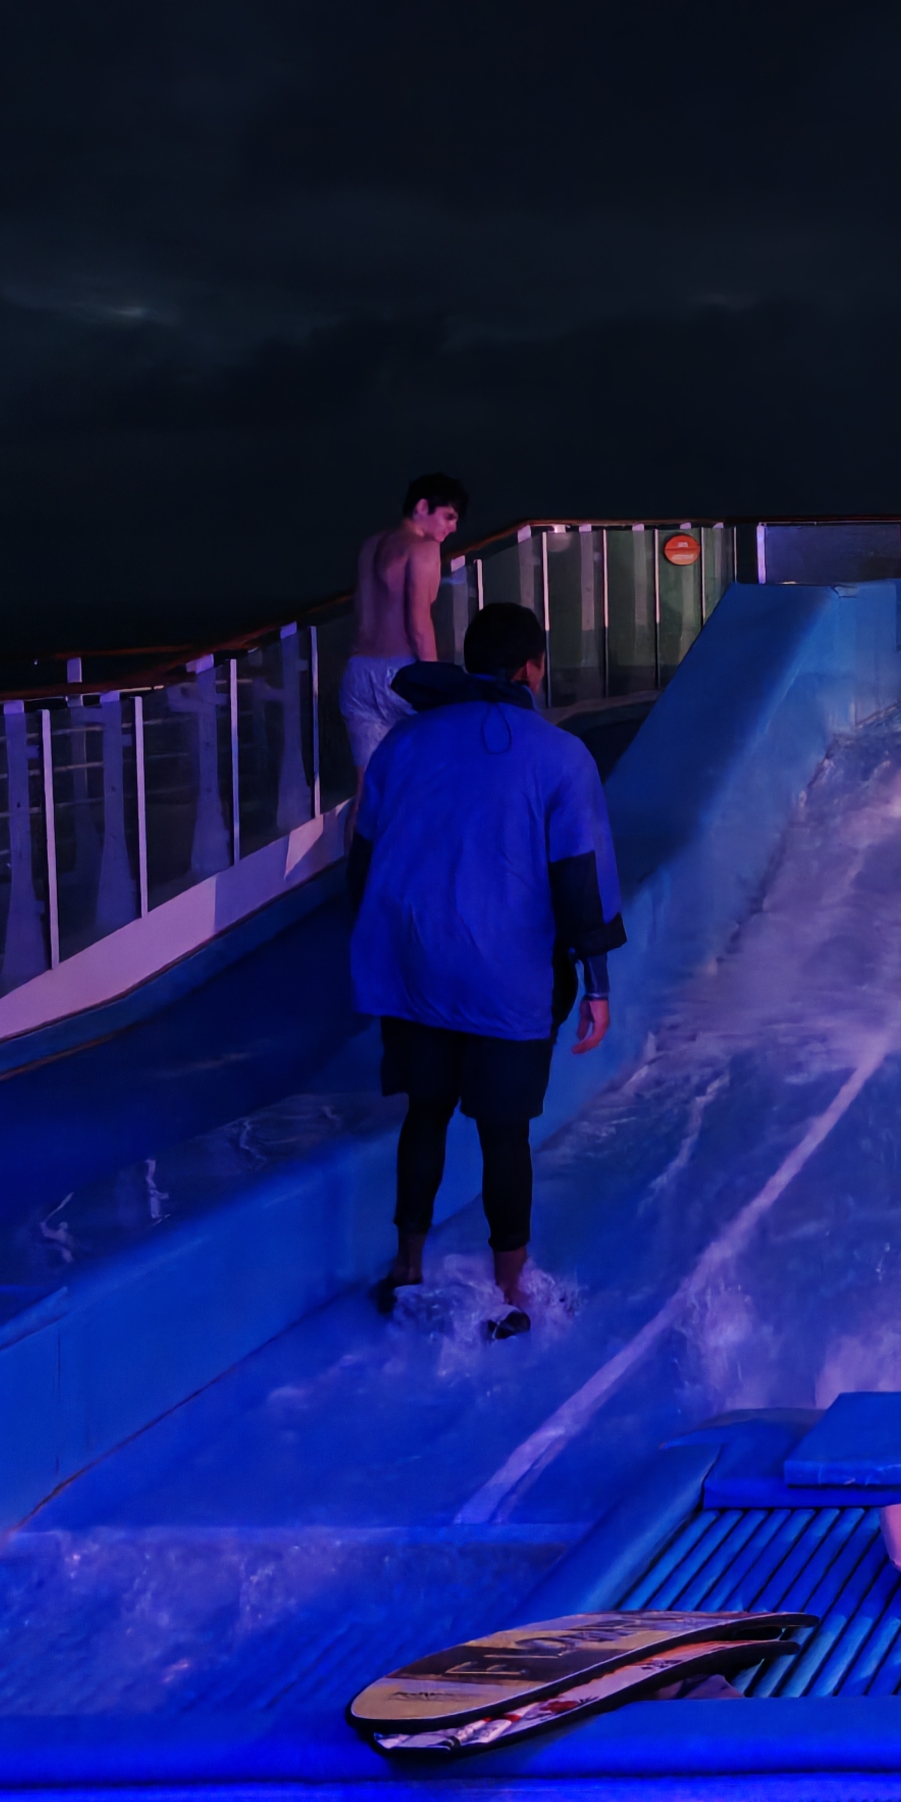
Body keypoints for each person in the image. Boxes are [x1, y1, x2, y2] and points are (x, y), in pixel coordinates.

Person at [350, 600, 623, 1337]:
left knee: (424, 1114)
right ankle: (510, 1287)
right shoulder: (558, 755)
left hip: (411, 968)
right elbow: (580, 876)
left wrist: (376, 949)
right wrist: (596, 984)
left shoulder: (402, 744)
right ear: (533, 665)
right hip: (505, 975)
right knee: (503, 1134)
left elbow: (365, 859)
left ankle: (407, 1267)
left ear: (470, 661)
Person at [343, 473, 467, 774]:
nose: (453, 527)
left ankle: (361, 822)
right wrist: (434, 682)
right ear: (422, 507)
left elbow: (362, 611)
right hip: (400, 674)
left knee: (367, 791)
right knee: (430, 775)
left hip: (358, 673)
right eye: (448, 517)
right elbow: (418, 624)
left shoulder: (370, 546)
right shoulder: (423, 549)